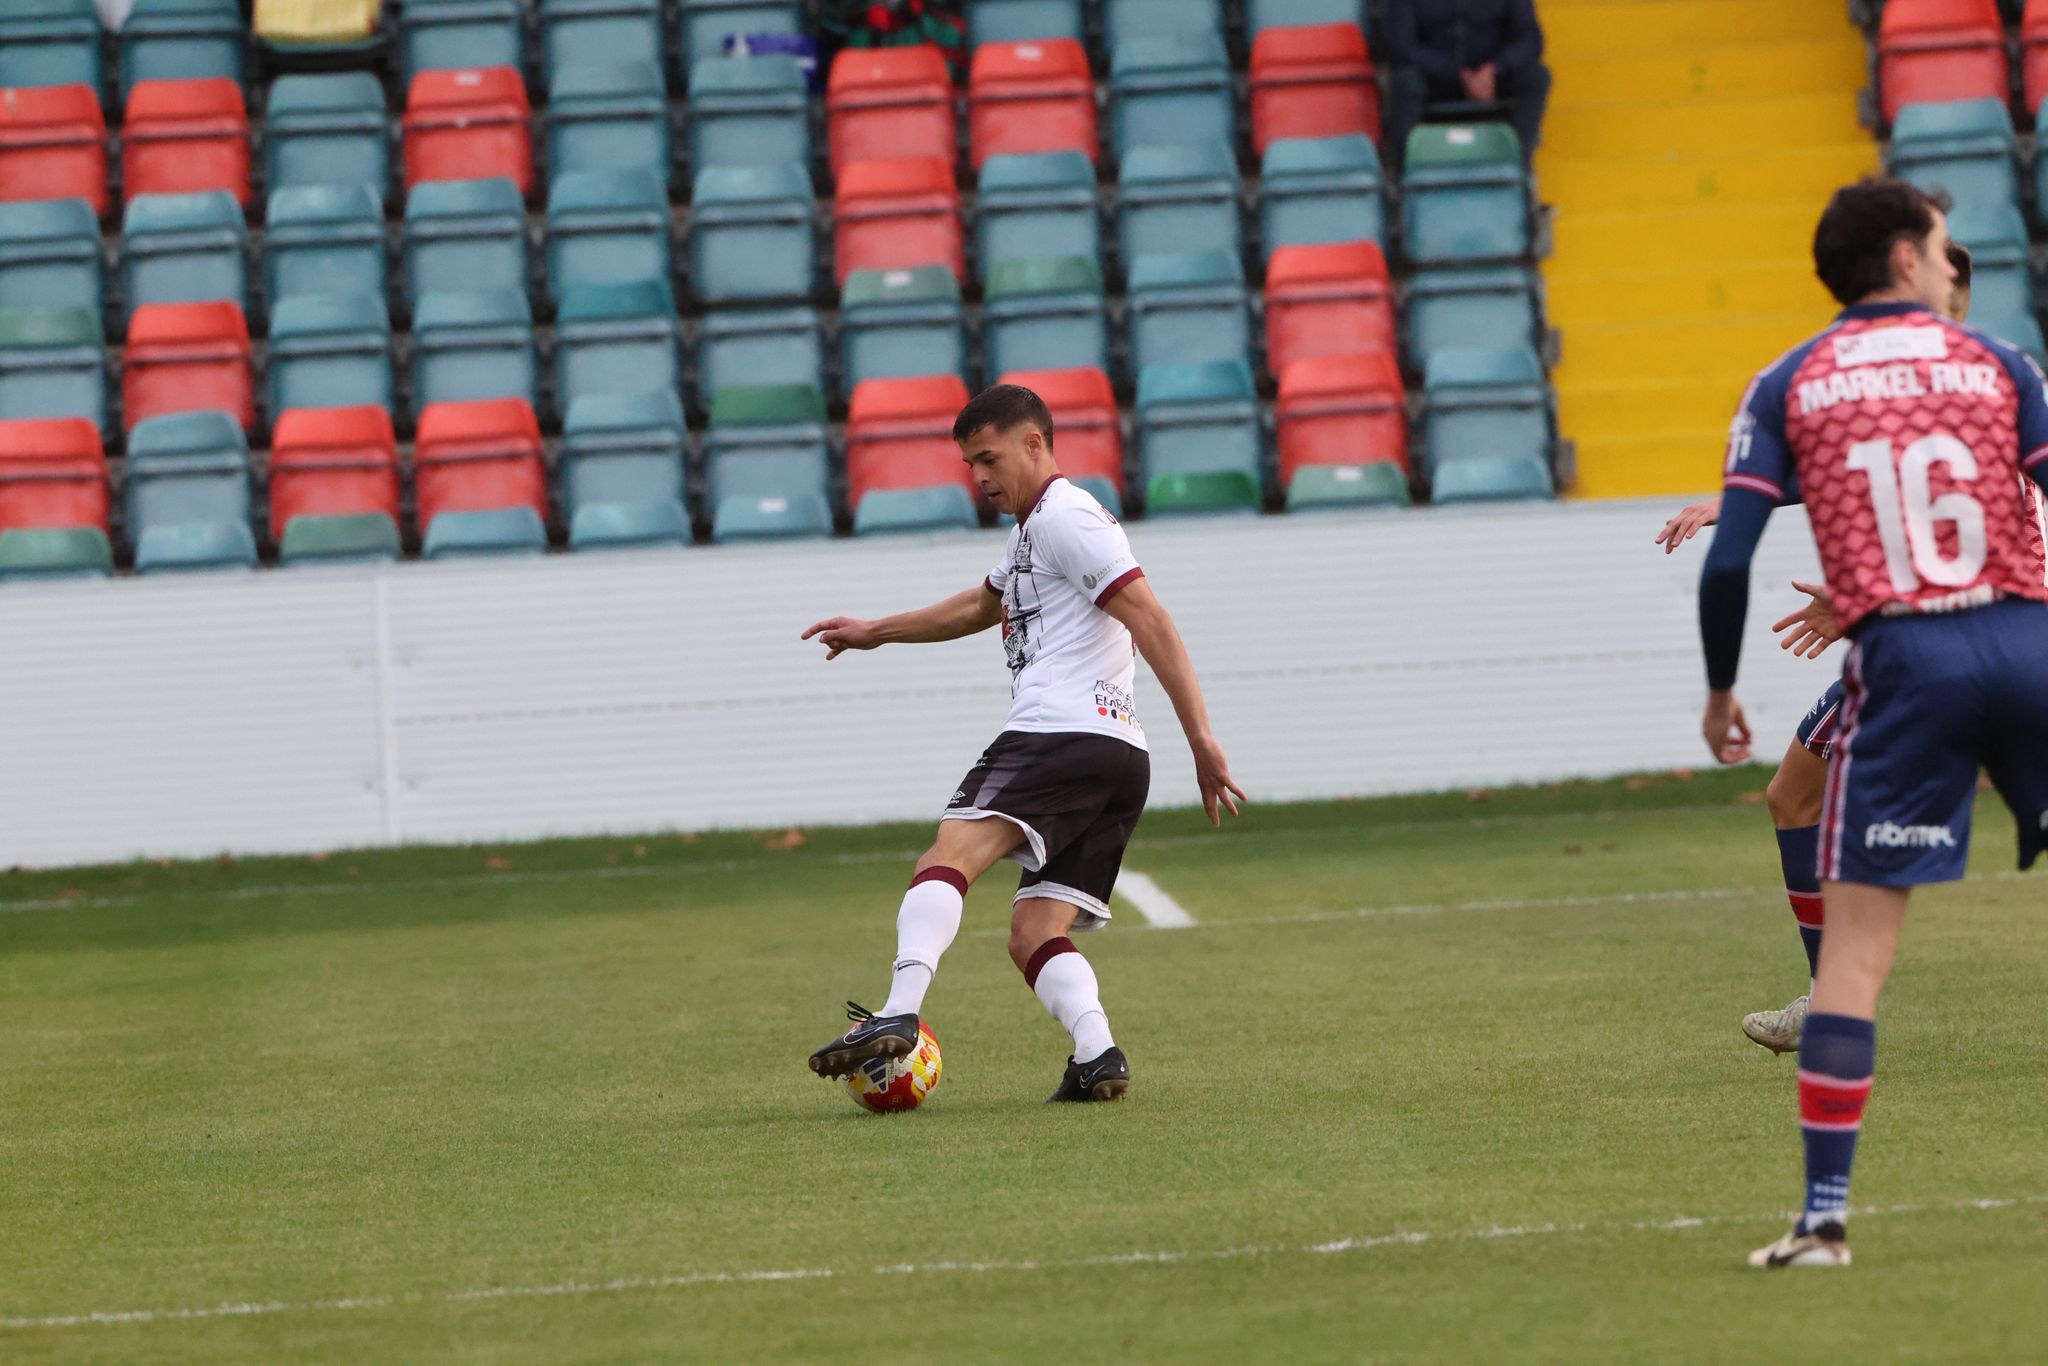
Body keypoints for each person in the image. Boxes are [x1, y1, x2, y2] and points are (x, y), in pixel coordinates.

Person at [1696, 177, 2048, 1268]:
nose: (1953, 262)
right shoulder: (1999, 365)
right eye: (1941, 245)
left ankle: (1821, 1222)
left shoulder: (1789, 380)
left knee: (1854, 960)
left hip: (1905, 664)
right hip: (2026, 640)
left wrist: (1718, 688)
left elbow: (1726, 565)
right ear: (1903, 257)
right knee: (1794, 802)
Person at [801, 384, 1247, 1103]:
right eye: (971, 464)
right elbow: (981, 605)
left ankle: (897, 1011)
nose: (979, 477)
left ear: (1034, 443)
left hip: (1058, 733)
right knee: (1034, 929)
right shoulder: (1030, 531)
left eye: (988, 458)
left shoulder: (1069, 518)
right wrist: (875, 631)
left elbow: (1153, 621)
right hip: (1115, 755)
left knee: (947, 856)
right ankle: (1098, 1054)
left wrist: (1202, 736)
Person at [1654, 242, 1979, 1056]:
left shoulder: (1976, 387)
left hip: (1953, 638)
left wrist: (1871, 602)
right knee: (1794, 793)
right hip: (1928, 634)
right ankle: (1826, 999)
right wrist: (1735, 498)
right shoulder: (1958, 384)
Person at [1383, 0, 1550, 170]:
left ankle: (1517, 166)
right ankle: (1406, 175)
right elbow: (1401, 46)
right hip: (1434, 78)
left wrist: (1495, 68)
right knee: (1405, 82)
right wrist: (1455, 73)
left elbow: (1531, 39)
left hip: (1492, 79)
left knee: (1536, 76)